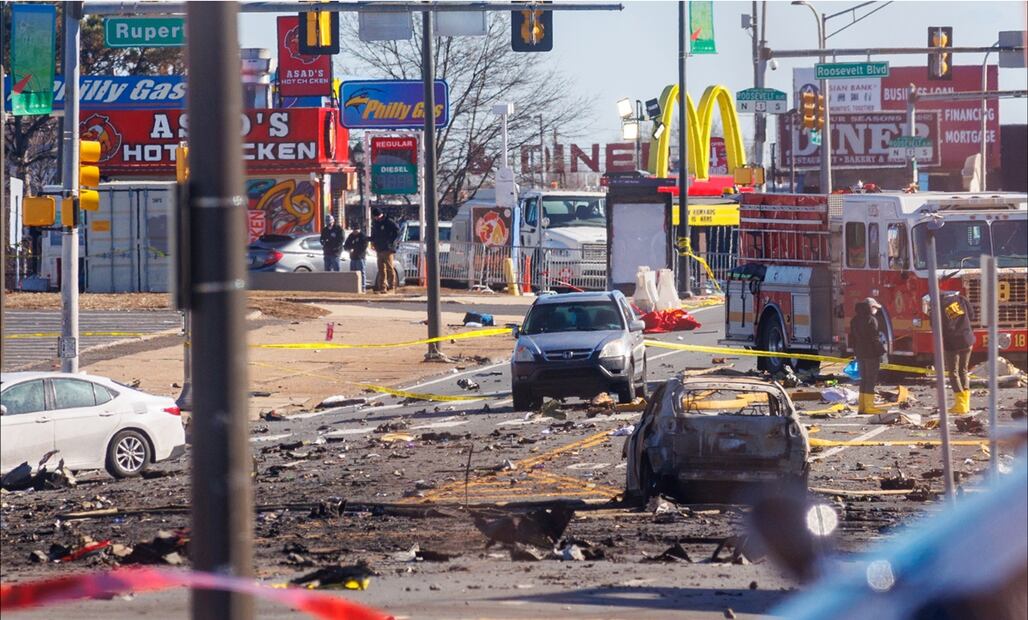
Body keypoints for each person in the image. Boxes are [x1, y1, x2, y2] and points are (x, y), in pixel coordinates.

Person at [850, 297, 887, 415]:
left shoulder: (854, 320)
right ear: (870, 307)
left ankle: (862, 407)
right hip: (871, 354)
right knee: (870, 380)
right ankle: (869, 407)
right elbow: (874, 338)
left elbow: (853, 338)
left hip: (860, 353)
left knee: (864, 379)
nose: (876, 310)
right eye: (875, 307)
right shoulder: (871, 319)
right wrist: (881, 350)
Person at [940, 290, 975, 415]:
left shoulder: (939, 305)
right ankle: (966, 404)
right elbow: (971, 315)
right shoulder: (962, 299)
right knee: (963, 370)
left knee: (953, 373)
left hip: (952, 343)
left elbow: (936, 325)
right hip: (967, 339)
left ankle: (960, 404)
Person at [370, 207, 399, 292]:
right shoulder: (375, 223)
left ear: (380, 214)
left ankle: (392, 286)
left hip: (388, 249)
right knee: (381, 269)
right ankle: (383, 287)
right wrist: (371, 240)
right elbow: (374, 235)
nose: (376, 218)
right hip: (379, 249)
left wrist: (391, 241)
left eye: (377, 216)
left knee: (390, 268)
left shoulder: (388, 221)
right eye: (375, 217)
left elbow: (397, 231)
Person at [343, 225, 370, 293]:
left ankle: (363, 287)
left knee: (361, 273)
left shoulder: (362, 236)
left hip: (360, 257)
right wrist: (349, 249)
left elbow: (363, 247)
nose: (354, 232)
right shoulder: (351, 236)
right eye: (353, 230)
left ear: (359, 230)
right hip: (352, 258)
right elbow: (346, 245)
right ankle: (353, 287)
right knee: (352, 273)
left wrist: (354, 249)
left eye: (356, 230)